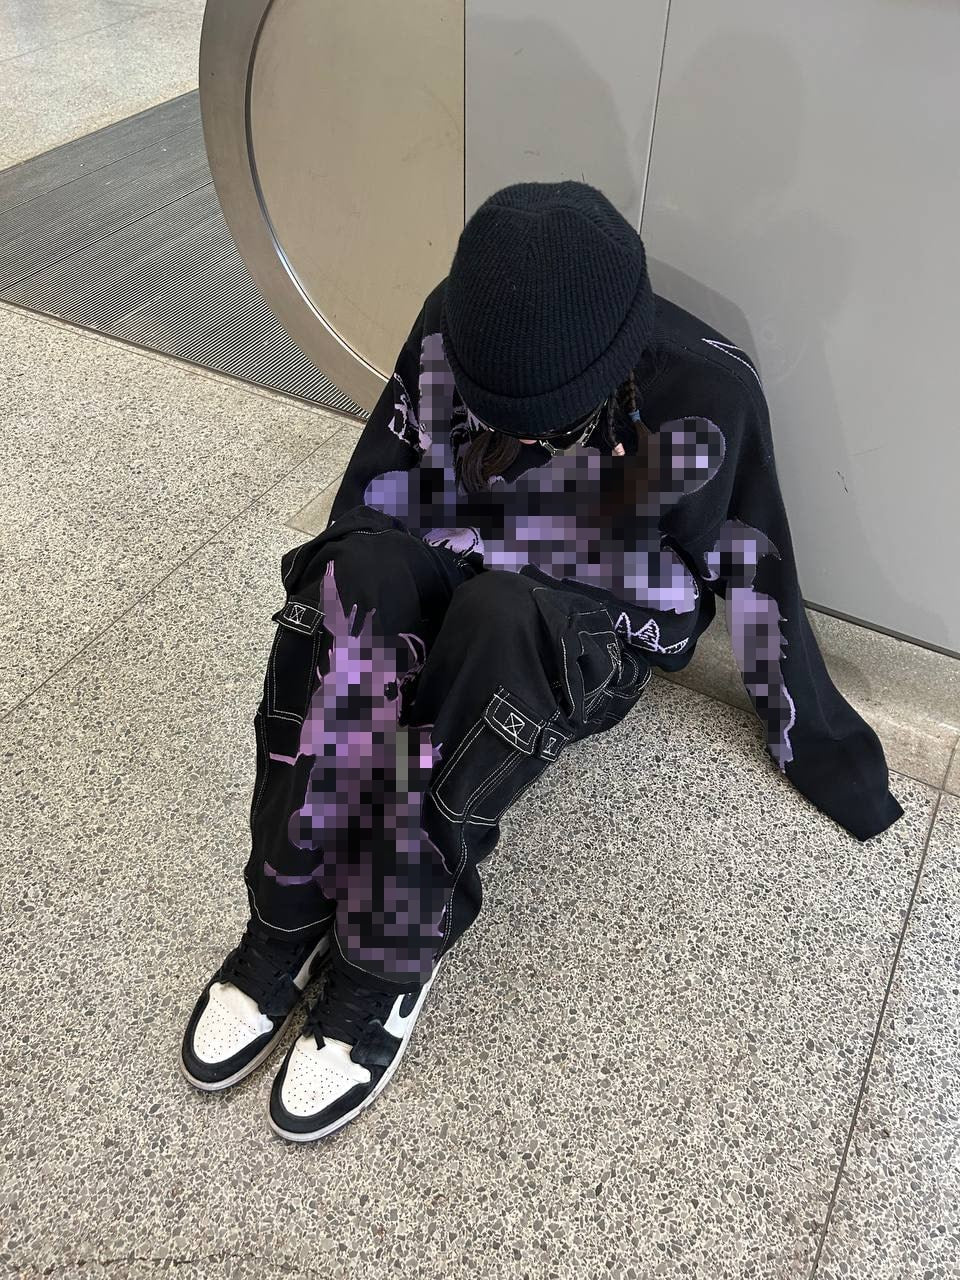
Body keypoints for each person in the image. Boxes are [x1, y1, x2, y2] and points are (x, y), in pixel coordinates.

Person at [180, 182, 902, 1142]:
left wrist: (825, 749)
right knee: (353, 577)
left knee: (501, 619)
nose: (516, 441)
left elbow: (755, 567)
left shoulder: (710, 390)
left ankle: (388, 952)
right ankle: (288, 907)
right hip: (450, 549)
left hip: (580, 616)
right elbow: (375, 490)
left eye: (544, 421)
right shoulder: (457, 319)